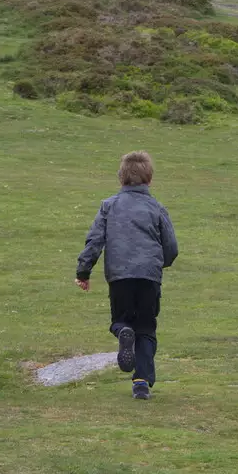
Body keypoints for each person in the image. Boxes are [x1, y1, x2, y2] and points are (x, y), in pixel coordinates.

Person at [75, 151, 178, 400]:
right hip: (149, 278)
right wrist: (158, 264)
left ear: (120, 179)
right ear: (149, 180)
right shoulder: (157, 208)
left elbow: (95, 241)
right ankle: (141, 383)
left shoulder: (109, 205)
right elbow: (171, 247)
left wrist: (83, 270)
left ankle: (122, 330)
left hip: (120, 276)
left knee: (121, 319)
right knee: (145, 328)